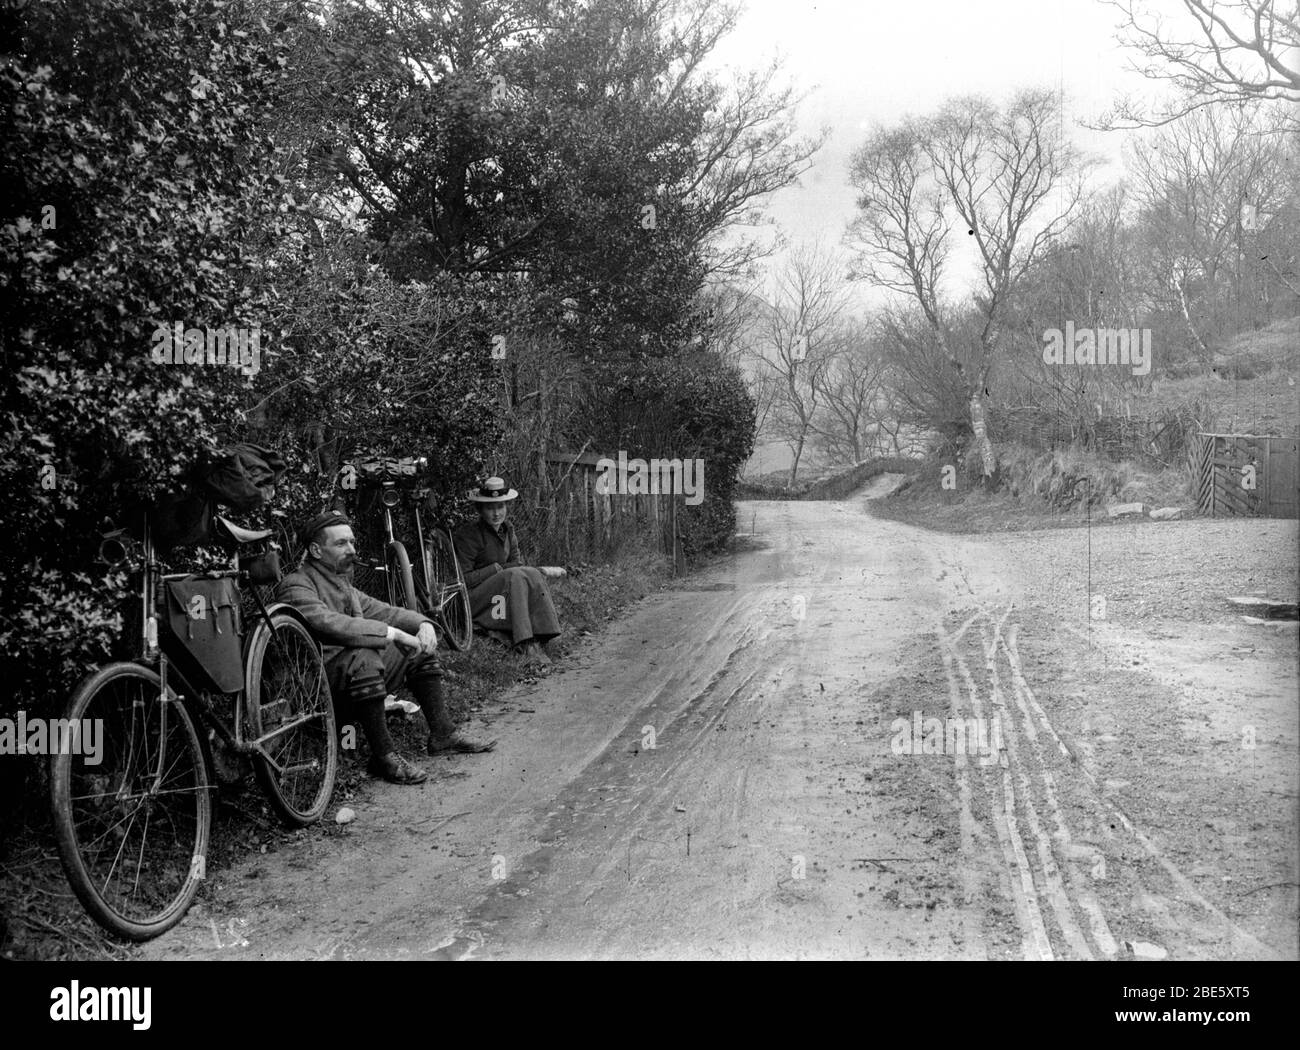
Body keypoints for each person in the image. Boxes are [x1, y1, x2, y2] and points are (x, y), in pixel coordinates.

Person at [277, 508, 495, 786]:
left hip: (350, 678)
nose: (351, 550)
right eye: (341, 543)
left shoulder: (341, 583)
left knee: (418, 650)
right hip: (317, 690)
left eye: (352, 542)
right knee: (366, 656)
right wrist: (393, 635)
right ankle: (383, 756)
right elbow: (329, 624)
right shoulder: (296, 586)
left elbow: (383, 610)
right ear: (316, 550)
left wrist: (422, 624)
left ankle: (442, 734)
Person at [452, 477, 561, 665]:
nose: (496, 513)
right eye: (490, 508)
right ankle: (524, 642)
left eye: (500, 507)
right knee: (515, 575)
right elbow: (462, 580)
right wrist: (496, 570)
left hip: (500, 595)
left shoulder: (508, 530)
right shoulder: (469, 535)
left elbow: (517, 562)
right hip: (474, 600)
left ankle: (545, 634)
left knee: (531, 573)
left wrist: (506, 570)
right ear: (480, 510)